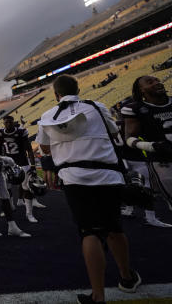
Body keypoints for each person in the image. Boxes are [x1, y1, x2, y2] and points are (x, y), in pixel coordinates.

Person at [36, 74, 140, 304]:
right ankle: (126, 277)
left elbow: (44, 146)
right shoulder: (97, 106)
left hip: (74, 178)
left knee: (89, 232)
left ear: (56, 94)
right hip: (107, 174)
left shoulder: (47, 115)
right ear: (78, 89)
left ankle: (98, 296)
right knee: (114, 227)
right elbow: (113, 133)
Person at [121, 76, 172, 226]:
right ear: (141, 90)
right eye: (150, 82)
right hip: (162, 160)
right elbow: (130, 139)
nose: (157, 83)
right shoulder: (135, 109)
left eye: (157, 80)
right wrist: (152, 146)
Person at [0, 115, 44, 224]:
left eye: (10, 122)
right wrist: (0, 163)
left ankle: (29, 213)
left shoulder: (21, 132)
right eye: (6, 122)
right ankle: (10, 206)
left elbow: (29, 150)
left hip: (22, 162)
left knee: (27, 188)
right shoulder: (0, 132)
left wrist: (32, 166)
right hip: (8, 163)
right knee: (6, 188)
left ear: (13, 122)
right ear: (3, 123)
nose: (8, 124)